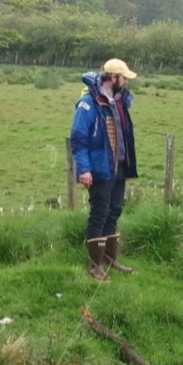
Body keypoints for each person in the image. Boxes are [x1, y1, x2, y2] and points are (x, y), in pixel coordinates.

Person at [70, 58, 139, 281]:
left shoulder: (119, 101)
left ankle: (110, 258)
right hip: (99, 168)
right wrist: (84, 169)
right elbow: (78, 139)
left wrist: (127, 166)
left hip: (119, 167)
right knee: (99, 213)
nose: (126, 81)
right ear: (113, 77)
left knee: (114, 210)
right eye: (124, 78)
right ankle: (95, 266)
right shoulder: (88, 104)